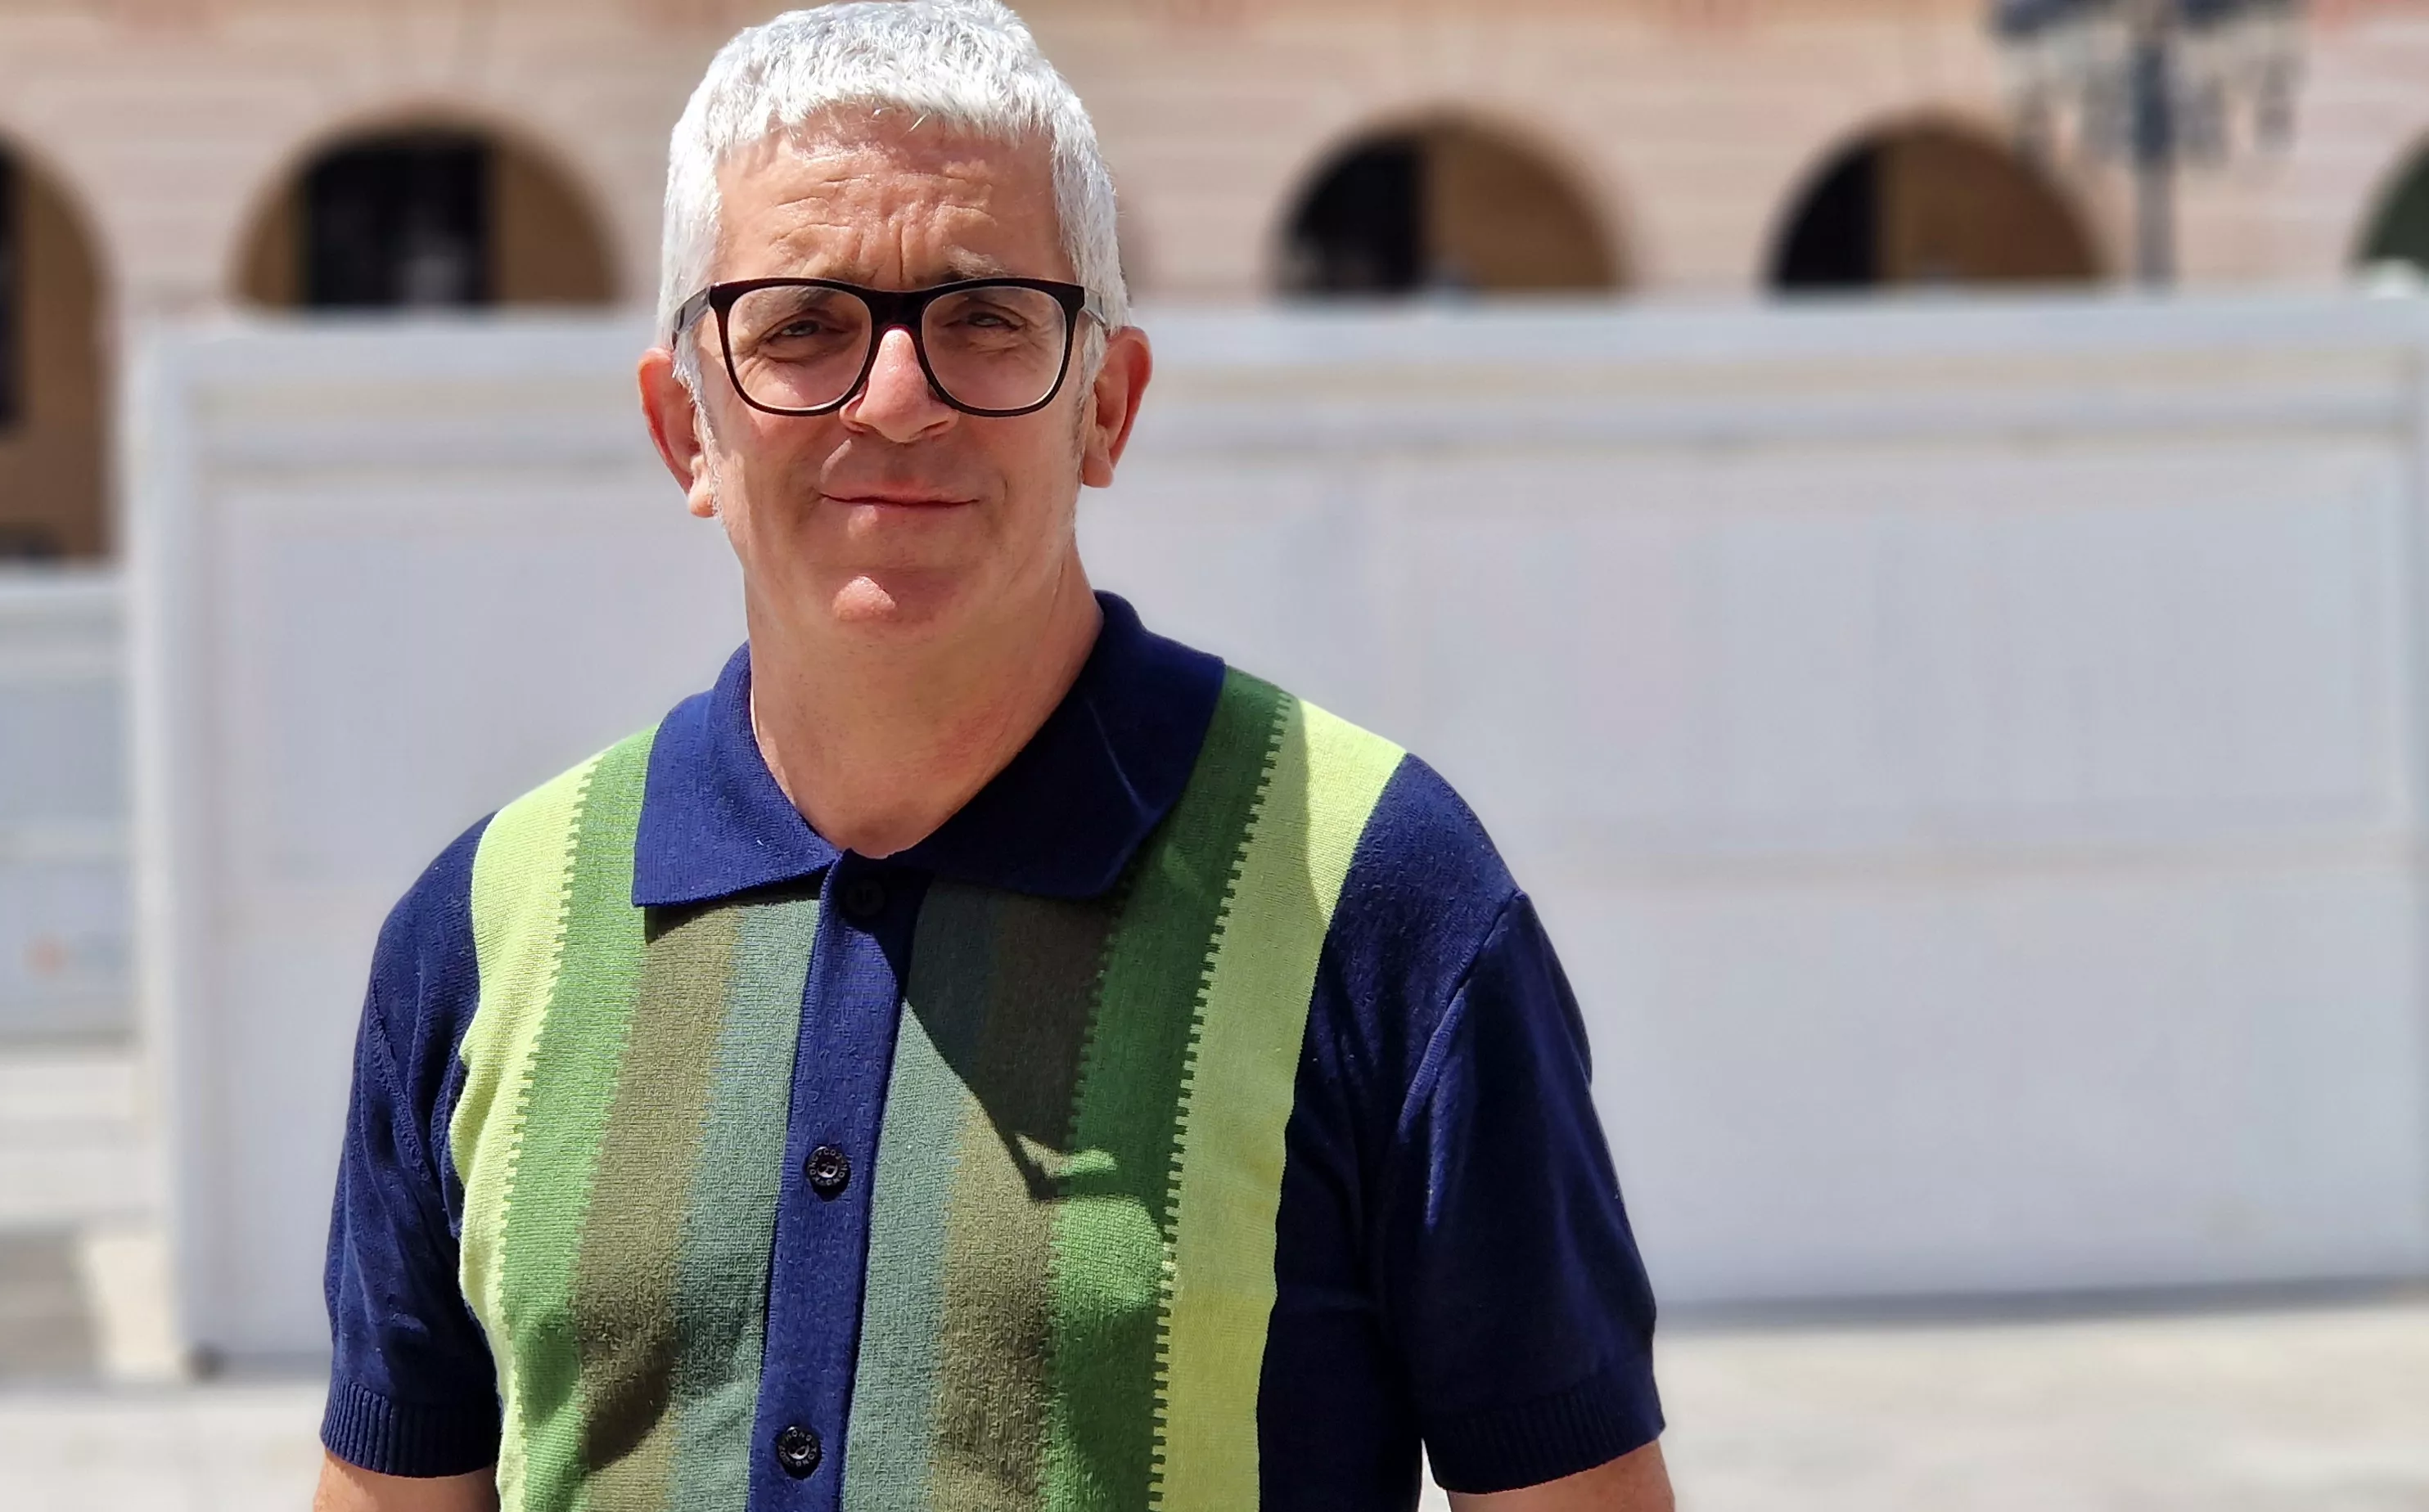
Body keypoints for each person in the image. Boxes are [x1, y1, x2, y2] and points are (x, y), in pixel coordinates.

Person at [314, 2, 1670, 1507]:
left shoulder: (1380, 896)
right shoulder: (484, 933)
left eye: (984, 317)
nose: (896, 400)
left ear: (1107, 401)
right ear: (683, 426)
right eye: (801, 326)